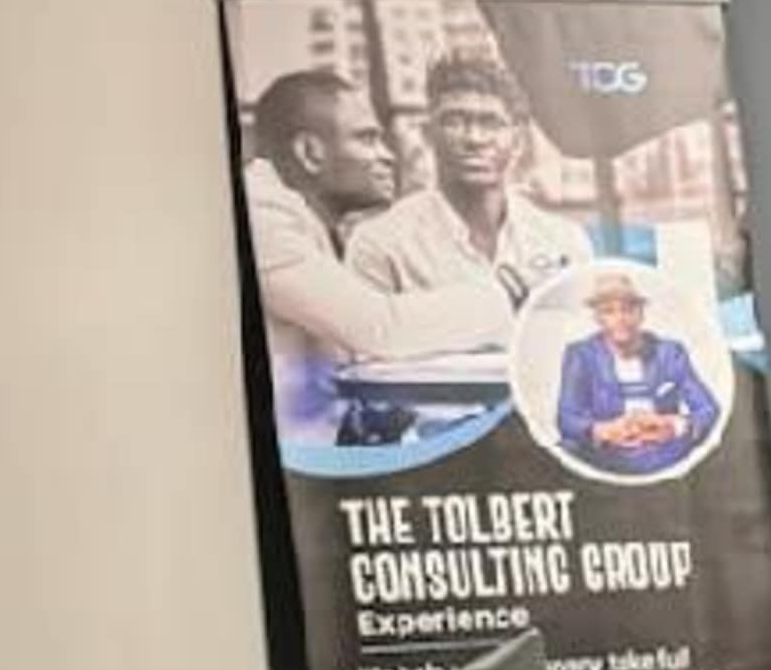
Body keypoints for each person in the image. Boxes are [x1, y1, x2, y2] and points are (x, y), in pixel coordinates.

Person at [341, 43, 590, 329]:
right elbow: (369, 349)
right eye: (454, 121)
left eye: (491, 123)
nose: (474, 138)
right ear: (427, 133)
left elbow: (576, 341)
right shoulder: (381, 243)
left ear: (518, 142)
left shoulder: (564, 240)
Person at [241, 63, 401, 430]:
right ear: (310, 152)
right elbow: (379, 329)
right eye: (367, 139)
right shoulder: (261, 212)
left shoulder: (310, 218)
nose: (388, 156)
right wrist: (504, 294)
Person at [551, 270, 722, 478]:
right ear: (597, 318)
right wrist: (605, 430)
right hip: (607, 455)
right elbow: (567, 418)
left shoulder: (669, 352)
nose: (620, 319)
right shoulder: (581, 355)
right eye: (609, 311)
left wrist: (672, 425)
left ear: (641, 313)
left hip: (664, 452)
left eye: (628, 309)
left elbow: (707, 408)